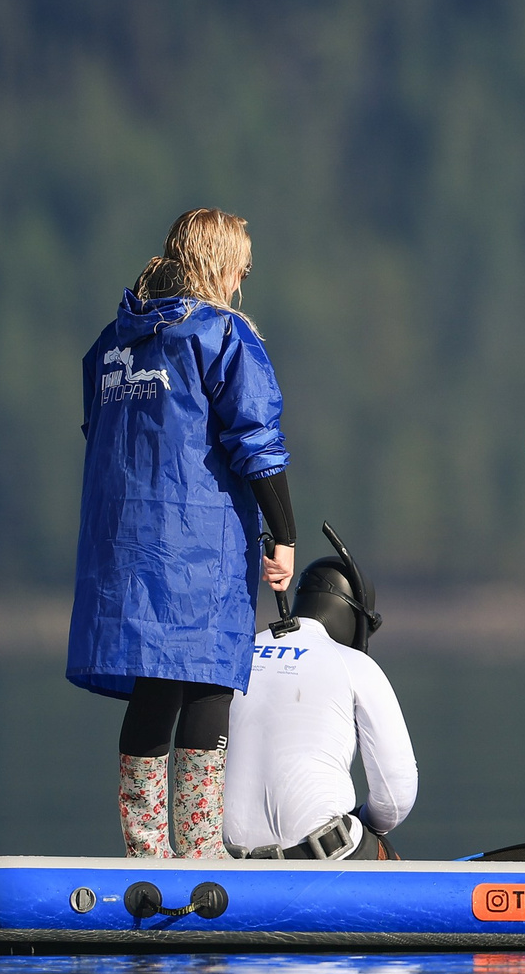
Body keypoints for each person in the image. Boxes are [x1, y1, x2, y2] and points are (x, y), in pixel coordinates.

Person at [68, 208, 298, 859]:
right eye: (242, 267)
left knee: (151, 684)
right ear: (219, 264)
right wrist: (283, 531)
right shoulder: (221, 335)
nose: (243, 281)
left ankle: (146, 848)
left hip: (124, 544)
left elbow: (97, 429)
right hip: (200, 543)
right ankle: (200, 848)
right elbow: (256, 438)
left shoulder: (115, 340)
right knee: (203, 683)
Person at [225, 526, 418, 861]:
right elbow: (395, 797)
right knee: (378, 846)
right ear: (357, 617)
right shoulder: (354, 663)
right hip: (321, 859)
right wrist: (363, 822)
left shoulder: (236, 651)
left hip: (224, 861)